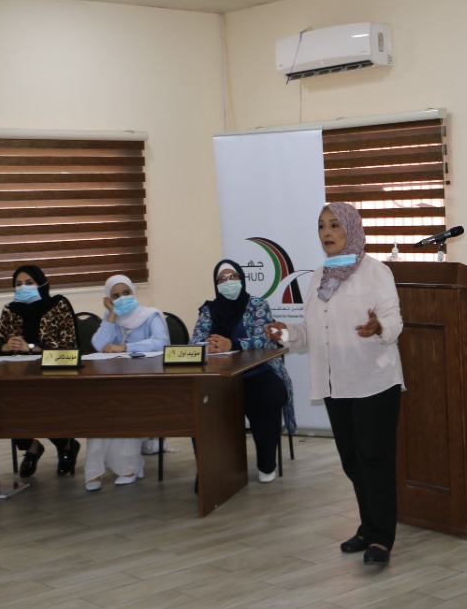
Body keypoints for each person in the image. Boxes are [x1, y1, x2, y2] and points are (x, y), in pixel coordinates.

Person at [265, 202, 403, 565]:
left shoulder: (376, 272)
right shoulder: (320, 275)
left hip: (373, 381)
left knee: (375, 459)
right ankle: (367, 527)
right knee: (352, 460)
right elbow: (312, 332)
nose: (326, 232)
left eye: (334, 225)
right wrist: (286, 333)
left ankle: (382, 538)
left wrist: (379, 327)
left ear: (351, 228)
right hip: (334, 383)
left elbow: (394, 320)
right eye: (321, 226)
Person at [190, 259, 295, 484]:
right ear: (216, 284)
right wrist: (210, 345)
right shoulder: (208, 310)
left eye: (233, 277)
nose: (228, 282)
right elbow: (195, 341)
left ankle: (266, 463)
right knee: (198, 404)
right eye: (222, 279)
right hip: (219, 379)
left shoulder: (257, 305)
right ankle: (211, 472)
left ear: (241, 279)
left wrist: (232, 344)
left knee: (268, 396)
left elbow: (265, 339)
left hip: (256, 372)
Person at [0, 264, 81, 478]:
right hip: (19, 374)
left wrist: (34, 347)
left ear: (41, 284)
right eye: (18, 284)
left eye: (29, 283)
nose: (23, 288)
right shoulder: (11, 310)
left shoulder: (58, 305)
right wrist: (4, 347)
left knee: (42, 403)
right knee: (6, 404)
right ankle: (32, 446)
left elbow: (69, 346)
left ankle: (66, 445)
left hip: (52, 375)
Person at [84, 274, 168, 491]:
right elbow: (98, 344)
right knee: (99, 407)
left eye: (126, 293)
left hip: (146, 381)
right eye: (115, 296)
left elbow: (161, 342)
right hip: (117, 379)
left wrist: (125, 348)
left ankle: (129, 467)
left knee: (125, 402)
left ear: (134, 292)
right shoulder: (111, 318)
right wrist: (112, 314)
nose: (122, 298)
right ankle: (94, 470)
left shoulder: (151, 315)